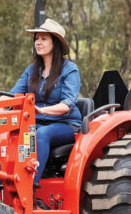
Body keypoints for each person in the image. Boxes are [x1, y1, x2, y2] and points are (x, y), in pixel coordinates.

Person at [7, 18, 81, 187]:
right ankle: (6, 179)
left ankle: (30, 186)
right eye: (36, 39)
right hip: (37, 122)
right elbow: (13, 96)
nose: (38, 43)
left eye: (43, 39)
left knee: (41, 134)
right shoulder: (32, 70)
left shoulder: (70, 70)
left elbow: (66, 105)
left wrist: (41, 111)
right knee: (11, 134)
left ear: (55, 43)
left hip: (66, 124)